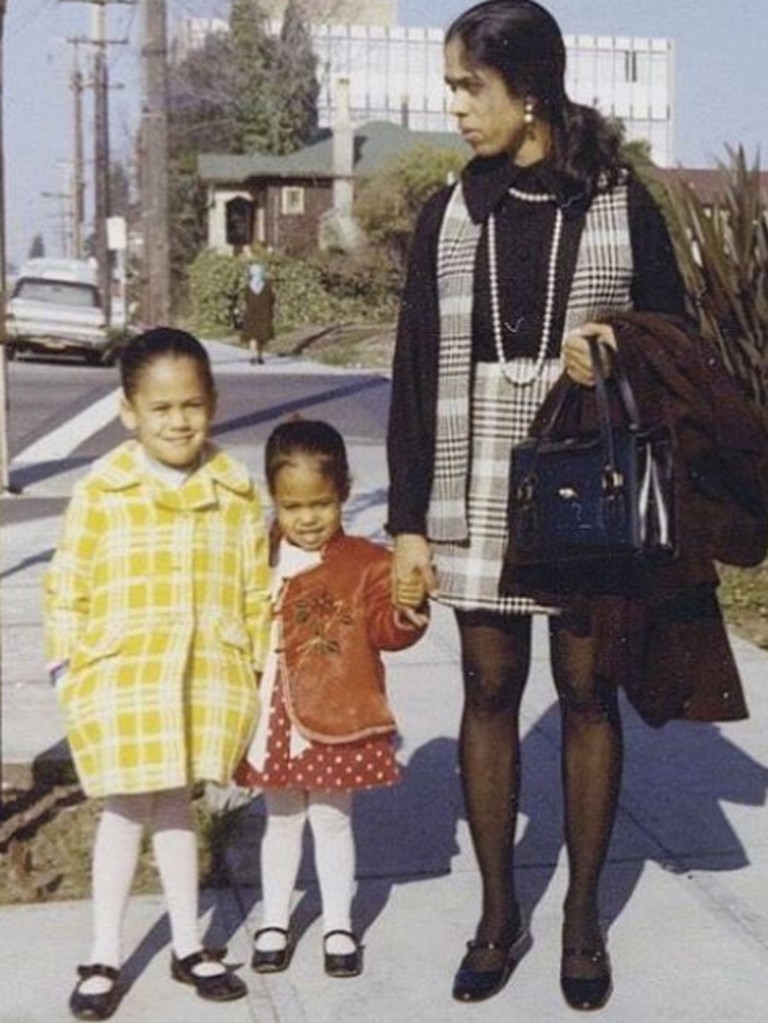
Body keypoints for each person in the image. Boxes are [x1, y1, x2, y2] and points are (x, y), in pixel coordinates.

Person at [387, 0, 688, 1011]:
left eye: (472, 87)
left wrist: (610, 348)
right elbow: (413, 371)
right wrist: (405, 528)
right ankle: (497, 912)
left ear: (531, 90)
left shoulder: (618, 199)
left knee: (589, 691)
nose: (458, 108)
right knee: (486, 691)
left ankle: (581, 918)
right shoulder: (449, 209)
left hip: (582, 474)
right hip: (470, 476)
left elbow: (675, 338)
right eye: (453, 88)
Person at [45, 327, 272, 1020]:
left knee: (178, 806)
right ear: (129, 411)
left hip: (202, 674)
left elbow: (254, 588)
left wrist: (257, 667)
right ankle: (105, 951)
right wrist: (66, 665)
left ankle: (187, 942)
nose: (178, 421)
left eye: (192, 405)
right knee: (122, 810)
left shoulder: (235, 492)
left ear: (212, 402)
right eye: (162, 408)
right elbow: (68, 582)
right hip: (122, 675)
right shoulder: (103, 489)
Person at [235, 419, 428, 979]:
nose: (308, 518)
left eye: (321, 503)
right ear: (275, 499)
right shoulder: (258, 555)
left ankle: (339, 923)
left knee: (332, 820)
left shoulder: (366, 563)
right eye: (293, 507)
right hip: (271, 714)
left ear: (344, 492)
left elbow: (387, 632)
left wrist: (407, 607)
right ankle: (275, 920)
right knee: (282, 819)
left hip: (337, 713)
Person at [241, 262, 276, 365]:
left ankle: (253, 356)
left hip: (251, 314)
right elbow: (272, 299)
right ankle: (260, 356)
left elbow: (246, 299)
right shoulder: (267, 287)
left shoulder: (248, 287)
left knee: (252, 336)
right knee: (262, 337)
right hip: (264, 314)